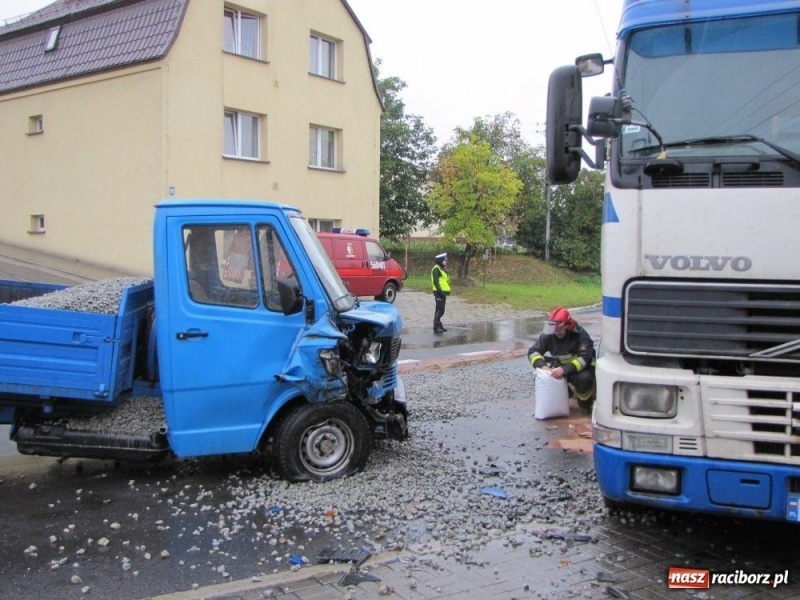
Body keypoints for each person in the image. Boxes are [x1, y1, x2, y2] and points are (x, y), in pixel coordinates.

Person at [527, 306, 596, 414]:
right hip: (561, 366)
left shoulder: (581, 335)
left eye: (559, 328)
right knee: (541, 376)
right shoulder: (549, 335)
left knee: (584, 379)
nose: (556, 332)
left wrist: (564, 370)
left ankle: (585, 405)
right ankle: (567, 394)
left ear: (567, 326)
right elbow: (533, 352)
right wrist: (543, 367)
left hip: (581, 369)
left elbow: (585, 359)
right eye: (554, 329)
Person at [431, 252, 450, 333]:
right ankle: (436, 326)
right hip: (439, 292)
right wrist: (440, 291)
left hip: (443, 292)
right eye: (444, 260)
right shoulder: (436, 268)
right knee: (439, 309)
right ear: (440, 260)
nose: (446, 261)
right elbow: (436, 281)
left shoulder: (442, 268)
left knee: (441, 310)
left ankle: (439, 324)